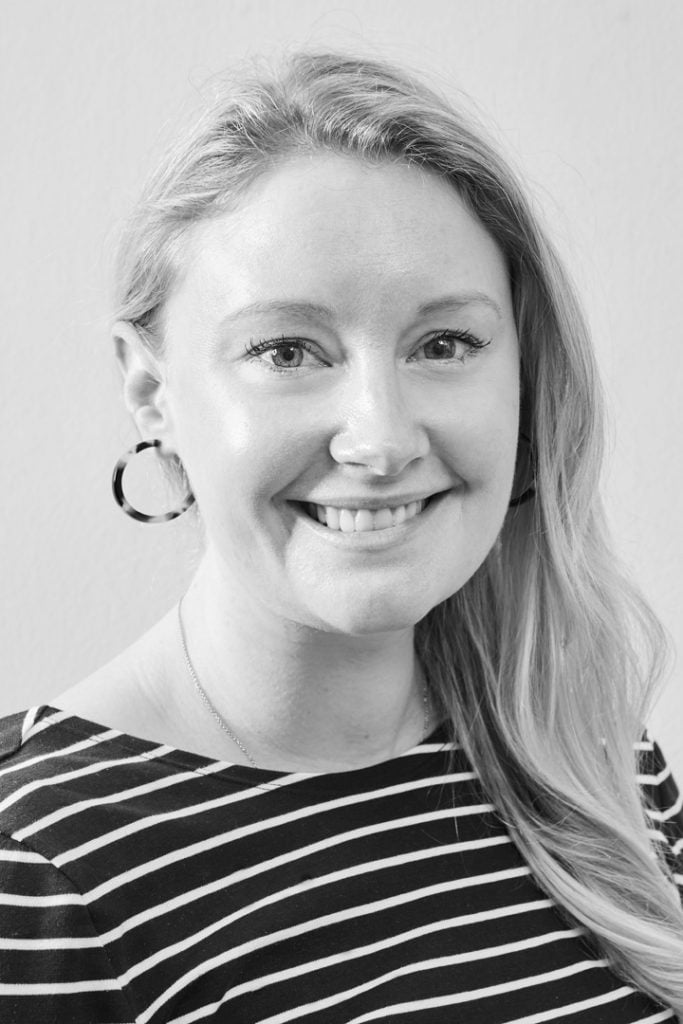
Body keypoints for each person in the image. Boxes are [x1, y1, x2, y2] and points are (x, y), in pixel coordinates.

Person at [0, 50, 681, 1024]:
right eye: (286, 350)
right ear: (151, 389)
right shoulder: (36, 871)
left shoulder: (597, 762)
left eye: (442, 343)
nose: (380, 438)